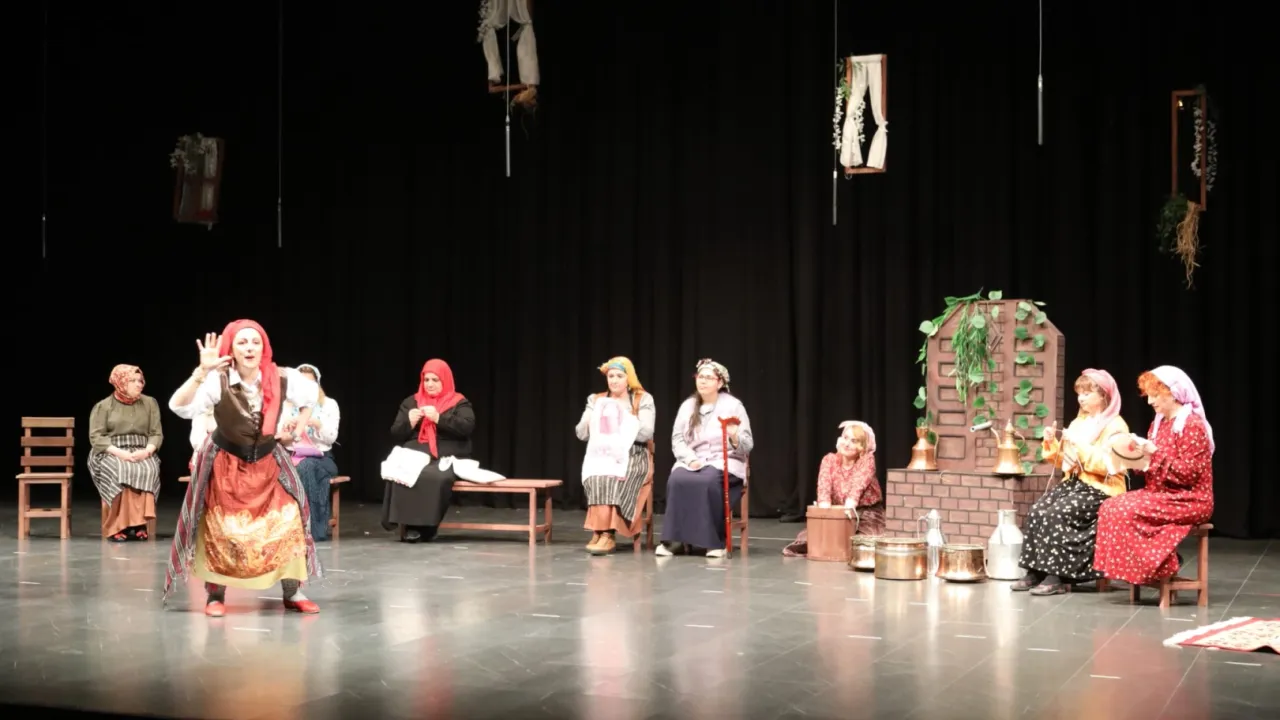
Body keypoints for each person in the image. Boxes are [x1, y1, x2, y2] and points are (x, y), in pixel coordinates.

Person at [164, 320, 323, 617]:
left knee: (288, 519)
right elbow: (179, 406)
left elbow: (311, 398)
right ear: (231, 349)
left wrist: (298, 429)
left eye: (255, 342)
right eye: (242, 342)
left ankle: (292, 591)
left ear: (264, 347)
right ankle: (215, 594)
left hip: (268, 461)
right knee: (222, 528)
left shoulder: (282, 377)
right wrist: (201, 373)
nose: (250, 348)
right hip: (228, 462)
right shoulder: (218, 380)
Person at [1094, 366, 1214, 586]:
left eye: (1155, 395)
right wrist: (1132, 456)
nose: (1150, 401)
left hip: (1190, 499)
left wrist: (1155, 454)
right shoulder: (1158, 424)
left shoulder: (1192, 425)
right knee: (1109, 506)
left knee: (1126, 510)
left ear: (1173, 394)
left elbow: (1188, 474)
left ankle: (1161, 566)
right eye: (1148, 395)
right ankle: (1148, 569)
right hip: (1161, 493)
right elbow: (1151, 465)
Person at [1015, 369, 1130, 595]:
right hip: (1076, 484)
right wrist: (1051, 442)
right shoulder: (1079, 422)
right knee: (1038, 510)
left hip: (1102, 488)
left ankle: (1057, 575)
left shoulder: (1116, 426)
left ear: (1103, 396)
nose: (1081, 398)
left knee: (1057, 513)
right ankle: (1035, 571)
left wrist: (1080, 445)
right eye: (1079, 393)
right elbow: (1064, 460)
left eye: (1087, 393)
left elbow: (1108, 465)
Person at [656, 359, 752, 559]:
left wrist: (734, 436)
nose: (703, 381)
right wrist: (689, 458)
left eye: (709, 377)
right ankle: (675, 541)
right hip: (694, 460)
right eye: (700, 377)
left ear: (720, 382)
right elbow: (677, 439)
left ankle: (714, 542)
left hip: (725, 461)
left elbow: (747, 444)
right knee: (676, 479)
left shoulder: (734, 406)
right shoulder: (688, 406)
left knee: (708, 480)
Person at [382, 359, 476, 543]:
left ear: (445, 380)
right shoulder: (411, 402)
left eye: (435, 380)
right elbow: (396, 433)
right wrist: (409, 422)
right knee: (403, 471)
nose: (430, 384)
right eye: (426, 380)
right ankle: (410, 525)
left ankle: (427, 527)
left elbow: (467, 427)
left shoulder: (458, 402)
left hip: (446, 455)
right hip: (416, 452)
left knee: (434, 476)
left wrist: (439, 418)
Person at [576, 356, 657, 555]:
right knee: (596, 476)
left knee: (612, 477)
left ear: (629, 378)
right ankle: (599, 531)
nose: (614, 380)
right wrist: (591, 418)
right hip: (603, 455)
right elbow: (581, 434)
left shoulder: (642, 399)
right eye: (611, 376)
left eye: (619, 376)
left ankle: (607, 533)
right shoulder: (597, 400)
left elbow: (646, 433)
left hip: (633, 455)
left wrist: (621, 418)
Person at [782, 420, 884, 557]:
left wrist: (849, 508)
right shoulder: (829, 460)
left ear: (862, 447)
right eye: (845, 438)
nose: (847, 444)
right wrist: (826, 518)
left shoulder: (867, 460)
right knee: (813, 539)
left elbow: (858, 486)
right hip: (837, 512)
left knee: (863, 543)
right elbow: (823, 488)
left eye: (854, 441)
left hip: (866, 514)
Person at [88, 364, 164, 542]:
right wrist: (120, 453)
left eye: (140, 380)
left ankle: (139, 523)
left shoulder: (150, 403)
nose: (139, 384)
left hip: (141, 449)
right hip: (110, 451)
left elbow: (156, 433)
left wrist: (147, 451)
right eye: (133, 381)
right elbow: (97, 437)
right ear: (120, 383)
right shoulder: (103, 406)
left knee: (149, 469)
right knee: (120, 469)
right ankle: (117, 525)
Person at [278, 363, 341, 541]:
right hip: (291, 456)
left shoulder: (329, 404)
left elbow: (330, 438)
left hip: (322, 458)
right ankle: (287, 528)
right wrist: (290, 430)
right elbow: (279, 439)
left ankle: (311, 528)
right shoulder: (286, 405)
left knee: (306, 467)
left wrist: (316, 424)